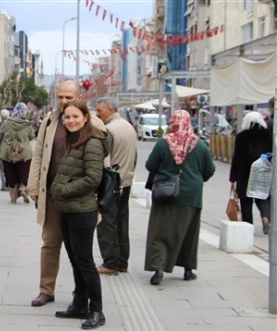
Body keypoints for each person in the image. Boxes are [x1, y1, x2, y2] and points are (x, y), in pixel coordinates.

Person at [50, 100, 109, 330]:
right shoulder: (73, 140)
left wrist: (62, 190)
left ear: (85, 117)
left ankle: (97, 310)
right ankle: (79, 304)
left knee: (84, 261)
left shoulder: (92, 142)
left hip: (82, 211)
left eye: (75, 116)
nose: (71, 121)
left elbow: (93, 179)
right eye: (67, 117)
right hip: (67, 210)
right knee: (75, 260)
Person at [144, 110, 215, 285]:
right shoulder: (200, 145)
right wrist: (196, 179)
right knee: (189, 233)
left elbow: (150, 165)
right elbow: (210, 170)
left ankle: (158, 270)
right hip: (192, 197)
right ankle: (188, 270)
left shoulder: (163, 143)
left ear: (173, 123)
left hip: (166, 194)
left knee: (160, 232)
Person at [26, 80, 79, 307]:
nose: (64, 101)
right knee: (50, 245)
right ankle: (46, 290)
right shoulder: (49, 122)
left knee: (78, 249)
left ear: (78, 97)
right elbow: (38, 155)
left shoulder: (91, 122)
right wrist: (33, 187)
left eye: (69, 97)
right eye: (60, 97)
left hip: (79, 199)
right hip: (51, 197)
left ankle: (81, 292)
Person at [95, 97, 137, 274]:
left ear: (110, 109)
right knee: (122, 221)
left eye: (100, 111)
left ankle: (110, 262)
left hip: (112, 183)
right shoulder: (129, 127)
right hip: (126, 180)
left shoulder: (108, 130)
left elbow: (104, 160)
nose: (98, 114)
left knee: (106, 222)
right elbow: (134, 157)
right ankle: (122, 260)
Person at [229, 111, 272, 234]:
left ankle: (248, 227)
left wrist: (233, 178)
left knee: (246, 200)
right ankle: (265, 217)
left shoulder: (242, 136)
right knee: (263, 197)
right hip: (262, 172)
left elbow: (236, 158)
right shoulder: (267, 135)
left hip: (244, 173)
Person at [0, 103, 35, 204]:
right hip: (24, 153)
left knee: (10, 175)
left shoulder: (6, 123)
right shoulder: (27, 124)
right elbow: (32, 137)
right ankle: (22, 189)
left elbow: (0, 135)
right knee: (24, 173)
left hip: (7, 153)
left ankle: (13, 198)